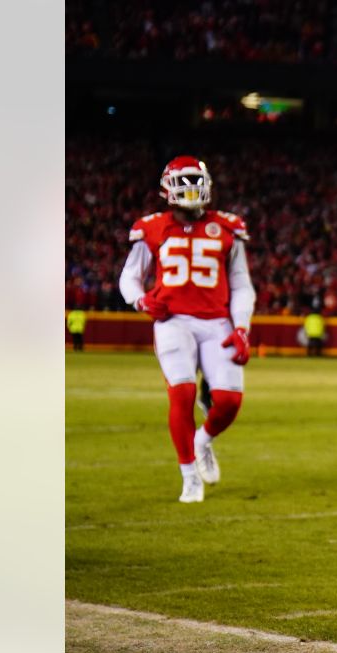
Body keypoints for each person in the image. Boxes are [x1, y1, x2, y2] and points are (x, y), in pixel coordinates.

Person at [118, 156, 256, 504]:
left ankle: (202, 440)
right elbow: (129, 277)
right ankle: (189, 475)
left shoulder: (227, 227)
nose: (192, 189)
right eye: (185, 181)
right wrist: (140, 301)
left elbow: (241, 284)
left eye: (197, 181)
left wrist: (241, 328)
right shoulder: (151, 227)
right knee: (180, 393)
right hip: (172, 320)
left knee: (228, 402)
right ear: (167, 187)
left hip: (216, 322)